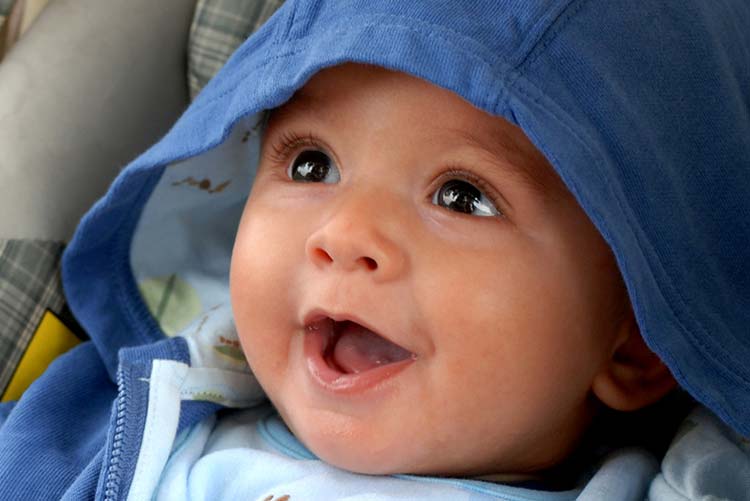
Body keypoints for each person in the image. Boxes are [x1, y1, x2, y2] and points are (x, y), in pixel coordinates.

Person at [0, 1, 748, 500]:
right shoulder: (114, 427)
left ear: (641, 347)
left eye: (462, 196)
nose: (344, 234)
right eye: (310, 165)